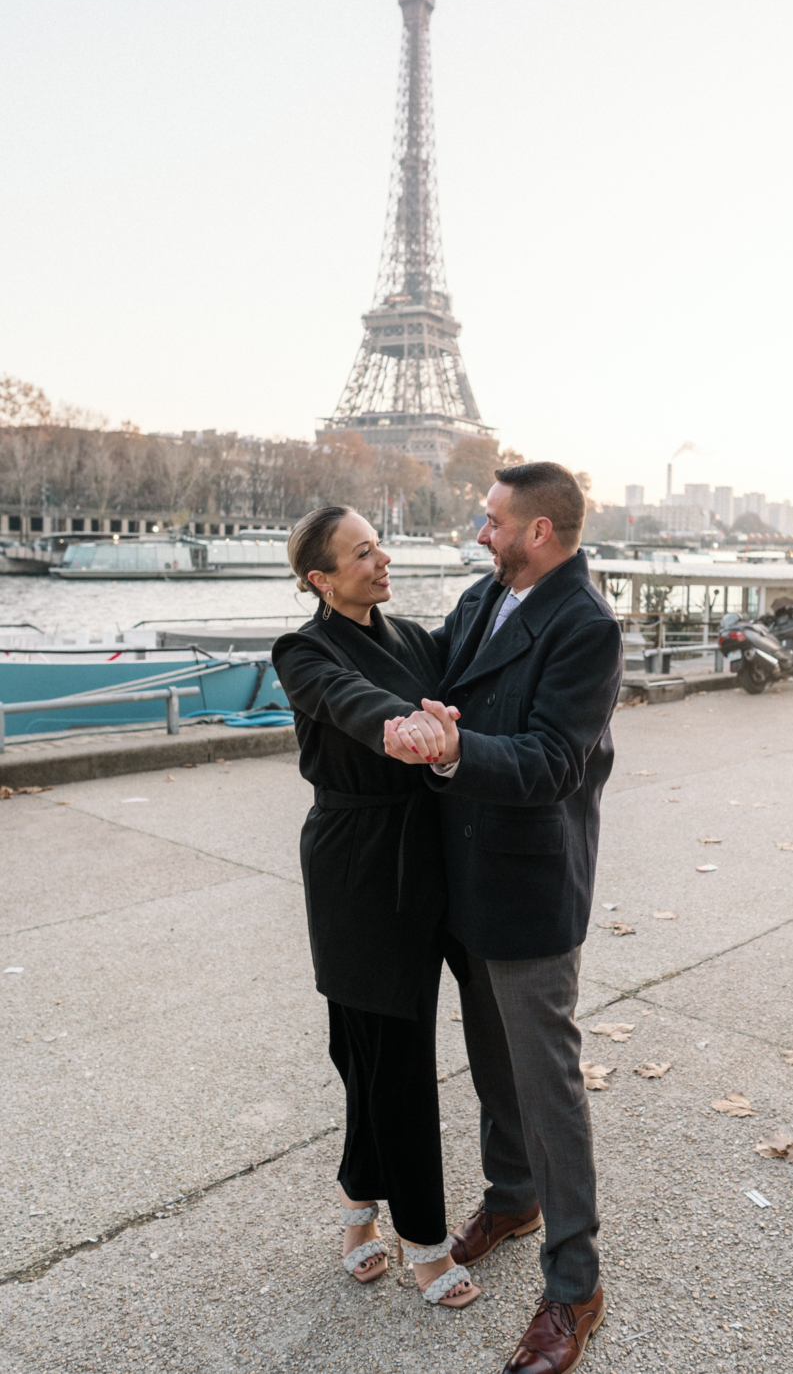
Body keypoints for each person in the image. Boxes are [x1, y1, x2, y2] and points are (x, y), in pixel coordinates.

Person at [383, 462, 623, 1374]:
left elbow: (552, 762)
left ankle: (575, 1287)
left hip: (526, 885)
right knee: (490, 1056)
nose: (480, 533)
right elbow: (430, 660)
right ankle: (513, 1194)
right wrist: (343, 629)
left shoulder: (584, 626)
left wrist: (450, 748)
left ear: (539, 533)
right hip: (464, 873)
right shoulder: (493, 595)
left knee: (548, 1084)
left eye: (493, 522)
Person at [271, 505, 479, 1310]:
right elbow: (345, 698)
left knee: (370, 1048)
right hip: (355, 867)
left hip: (421, 857)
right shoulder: (303, 648)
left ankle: (358, 1205)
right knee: (384, 1051)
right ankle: (423, 1237)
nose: (381, 559)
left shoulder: (415, 639)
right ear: (319, 579)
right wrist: (396, 728)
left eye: (379, 544)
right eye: (363, 552)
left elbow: (474, 667)